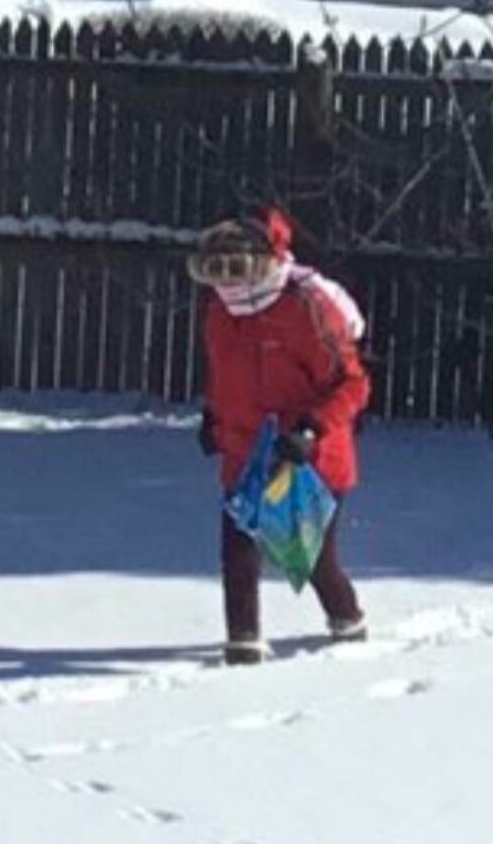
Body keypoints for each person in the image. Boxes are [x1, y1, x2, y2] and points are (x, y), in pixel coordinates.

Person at [187, 207, 370, 665]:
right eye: (215, 271)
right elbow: (227, 377)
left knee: (310, 557)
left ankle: (348, 620)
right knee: (238, 548)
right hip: (244, 450)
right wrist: (213, 417)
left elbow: (354, 383)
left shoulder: (307, 308)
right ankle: (243, 642)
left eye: (236, 269)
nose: (226, 282)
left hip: (309, 457)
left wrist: (310, 428)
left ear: (265, 263)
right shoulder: (219, 313)